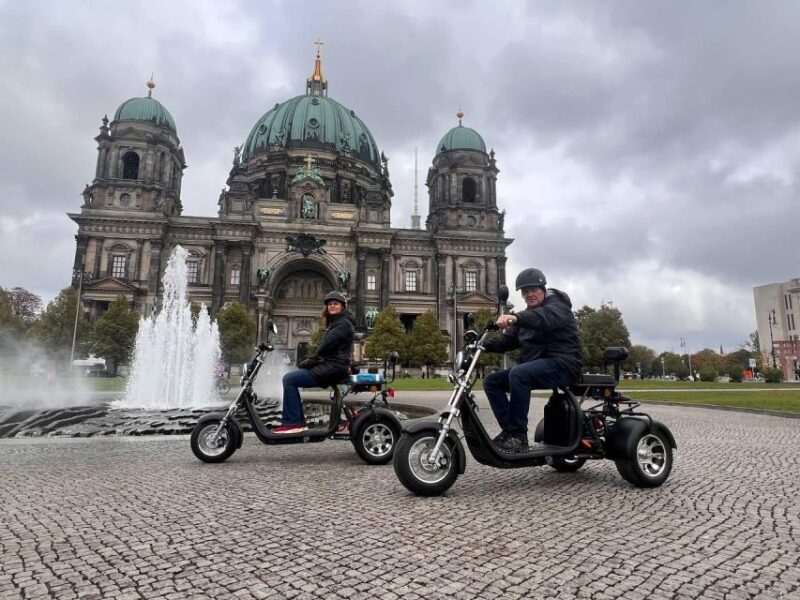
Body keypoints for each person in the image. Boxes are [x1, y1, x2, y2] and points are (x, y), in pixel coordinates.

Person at [481, 268, 582, 452]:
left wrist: (515, 318)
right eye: (525, 292)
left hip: (564, 364)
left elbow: (543, 319)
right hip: (540, 366)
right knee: (491, 382)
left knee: (519, 374)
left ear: (543, 289)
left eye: (533, 290)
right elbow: (508, 341)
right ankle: (510, 432)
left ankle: (519, 437)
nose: (530, 295)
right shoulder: (527, 316)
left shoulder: (557, 306)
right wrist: (481, 344)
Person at [273, 291, 356, 433]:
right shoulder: (337, 322)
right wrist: (314, 360)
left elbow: (325, 346)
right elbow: (328, 348)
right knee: (292, 378)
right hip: (332, 365)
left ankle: (293, 423)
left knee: (289, 379)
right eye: (329, 304)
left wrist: (312, 360)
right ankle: (298, 422)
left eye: (335, 303)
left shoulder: (342, 324)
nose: (332, 306)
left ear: (343, 306)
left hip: (334, 367)